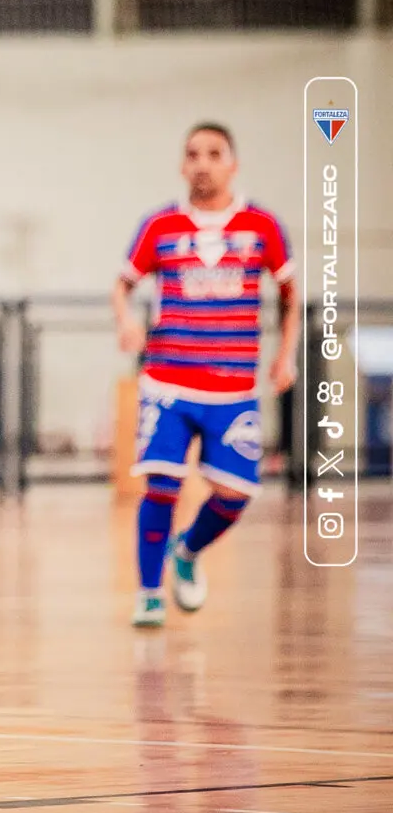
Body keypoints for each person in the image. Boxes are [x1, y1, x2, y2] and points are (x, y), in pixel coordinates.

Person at [112, 123, 297, 628]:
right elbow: (122, 285)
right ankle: (149, 593)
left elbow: (290, 294)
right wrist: (127, 322)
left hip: (233, 390)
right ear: (181, 165)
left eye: (214, 154)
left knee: (236, 495)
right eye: (193, 154)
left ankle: (187, 551)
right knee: (162, 485)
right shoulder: (160, 226)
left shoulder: (262, 226)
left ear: (232, 164)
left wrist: (287, 355)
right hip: (168, 384)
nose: (202, 163)